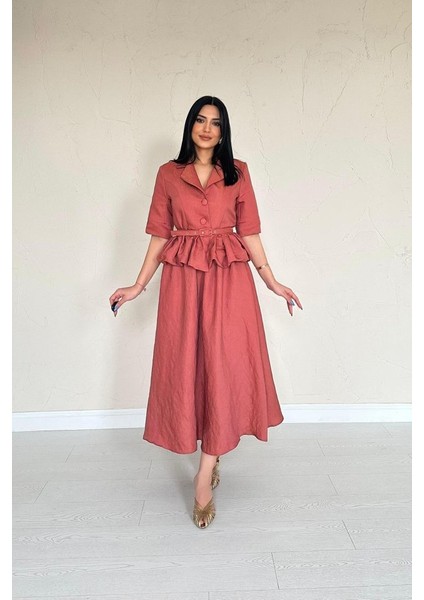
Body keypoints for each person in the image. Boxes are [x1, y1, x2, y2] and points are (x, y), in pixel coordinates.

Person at [109, 95, 303, 529]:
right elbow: (160, 235)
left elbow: (249, 232)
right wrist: (138, 285)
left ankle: (204, 473)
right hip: (182, 282)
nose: (207, 128)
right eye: (200, 120)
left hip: (229, 281)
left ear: (223, 131)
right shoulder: (168, 174)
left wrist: (272, 281)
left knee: (222, 365)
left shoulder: (238, 173)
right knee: (187, 367)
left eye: (216, 122)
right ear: (190, 126)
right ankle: (208, 454)